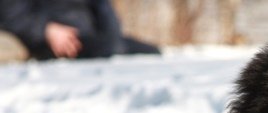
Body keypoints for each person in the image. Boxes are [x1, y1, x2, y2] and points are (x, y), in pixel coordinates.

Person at [0, 0, 160, 60]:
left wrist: (111, 37)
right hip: (47, 40)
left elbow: (104, 10)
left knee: (152, 52)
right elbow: (11, 13)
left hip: (94, 38)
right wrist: (45, 29)